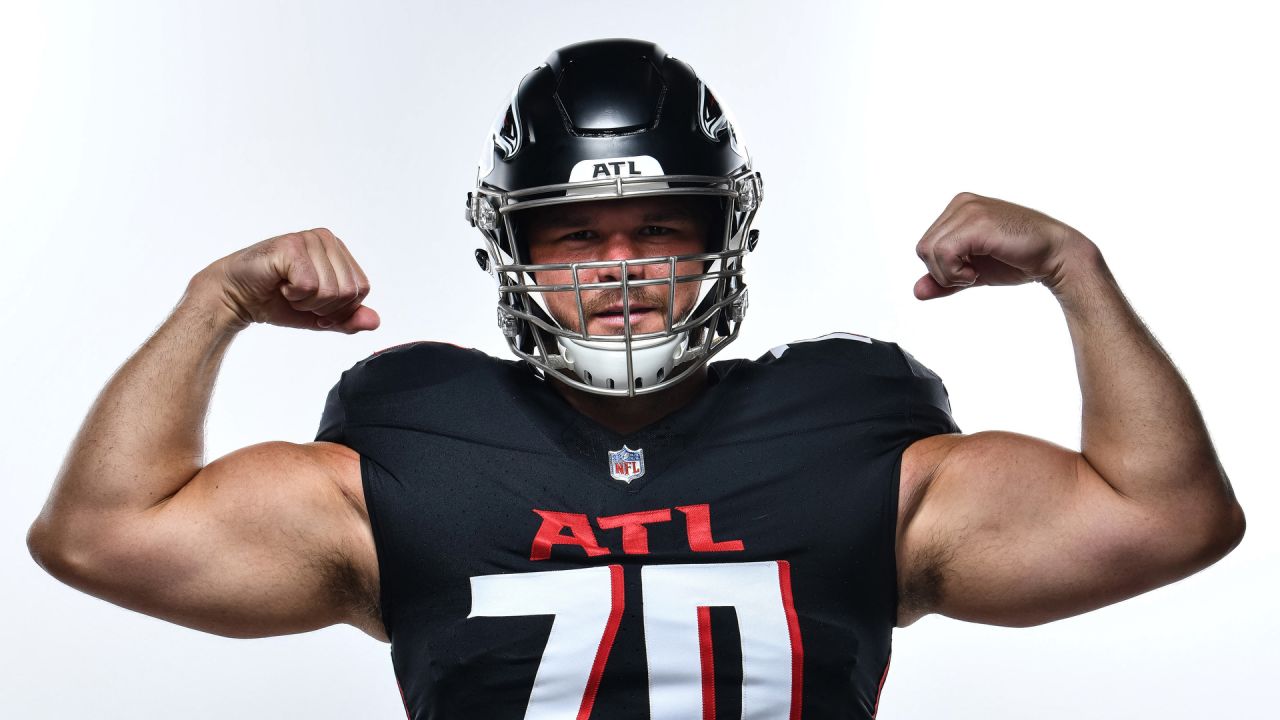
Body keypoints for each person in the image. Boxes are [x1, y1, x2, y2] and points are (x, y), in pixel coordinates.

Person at [26, 38, 1244, 720]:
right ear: (513, 250)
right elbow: (100, 535)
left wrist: (1076, 274)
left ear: (721, 240)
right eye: (574, 236)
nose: (618, 269)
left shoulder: (846, 424)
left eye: (659, 229)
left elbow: (1165, 520)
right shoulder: (417, 436)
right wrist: (213, 305)